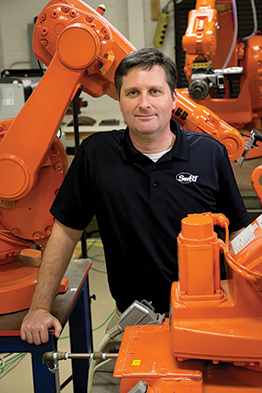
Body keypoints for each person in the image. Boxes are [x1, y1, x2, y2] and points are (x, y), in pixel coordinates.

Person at [20, 48, 249, 345]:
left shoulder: (209, 153)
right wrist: (39, 306)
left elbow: (238, 234)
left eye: (155, 91)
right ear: (120, 102)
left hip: (208, 315)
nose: (144, 104)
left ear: (174, 99)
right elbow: (65, 232)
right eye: (132, 93)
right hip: (132, 319)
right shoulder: (96, 155)